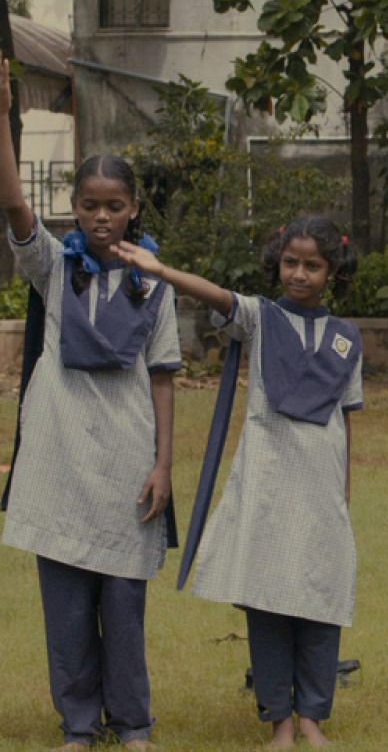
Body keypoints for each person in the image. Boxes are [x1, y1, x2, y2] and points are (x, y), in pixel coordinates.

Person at [115, 216, 363, 748]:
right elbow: (220, 296)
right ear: (278, 263)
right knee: (267, 602)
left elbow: (347, 420)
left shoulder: (348, 340)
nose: (299, 273)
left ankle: (313, 719)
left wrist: (343, 496)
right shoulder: (261, 318)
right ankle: (279, 722)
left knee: (319, 602)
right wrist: (163, 271)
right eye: (291, 262)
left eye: (312, 265)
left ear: (333, 271)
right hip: (268, 488)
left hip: (321, 493)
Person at [0, 59, 180, 751]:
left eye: (114, 206)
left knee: (125, 600)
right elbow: (15, 204)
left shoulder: (153, 282)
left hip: (127, 458)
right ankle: (79, 723)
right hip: (57, 459)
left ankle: (132, 722)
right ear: (74, 208)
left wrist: (164, 465)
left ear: (134, 208)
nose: (101, 218)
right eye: (89, 206)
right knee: (66, 605)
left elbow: (163, 377)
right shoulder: (55, 267)